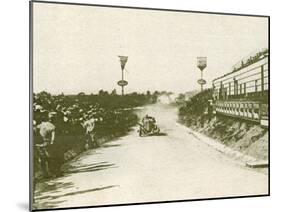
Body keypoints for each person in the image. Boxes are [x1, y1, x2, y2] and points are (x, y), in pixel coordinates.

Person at [36, 113, 56, 178]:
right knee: (49, 158)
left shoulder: (38, 126)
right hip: (47, 143)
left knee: (42, 159)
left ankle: (45, 174)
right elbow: (53, 135)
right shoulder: (50, 125)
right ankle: (52, 172)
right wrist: (52, 141)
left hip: (39, 144)